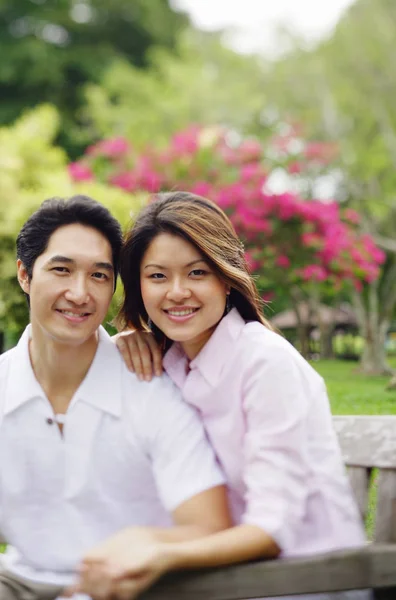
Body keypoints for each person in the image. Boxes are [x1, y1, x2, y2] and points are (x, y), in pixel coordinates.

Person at [75, 191, 371, 600]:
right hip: (220, 579)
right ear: (138, 287)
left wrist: (162, 554)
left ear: (227, 278)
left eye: (197, 273)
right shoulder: (167, 363)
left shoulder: (265, 363)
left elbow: (272, 531)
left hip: (308, 581)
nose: (177, 292)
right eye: (157, 276)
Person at [0, 195, 231, 600]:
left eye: (99, 276)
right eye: (61, 269)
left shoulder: (151, 387)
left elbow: (208, 526)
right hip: (19, 582)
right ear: (24, 275)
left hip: (138, 589)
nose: (79, 293)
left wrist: (145, 549)